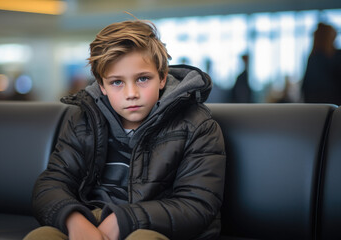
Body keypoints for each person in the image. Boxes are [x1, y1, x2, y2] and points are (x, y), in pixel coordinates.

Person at [24, 19, 226, 240]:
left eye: (142, 79)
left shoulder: (197, 126)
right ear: (102, 86)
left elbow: (197, 205)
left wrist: (123, 221)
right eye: (117, 82)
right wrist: (73, 219)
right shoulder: (82, 119)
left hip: (156, 229)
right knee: (42, 236)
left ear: (162, 77)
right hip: (91, 221)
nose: (131, 93)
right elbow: (52, 183)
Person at [301, 22, 341, 105]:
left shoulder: (313, 58)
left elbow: (306, 89)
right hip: (338, 109)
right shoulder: (339, 56)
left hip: (318, 111)